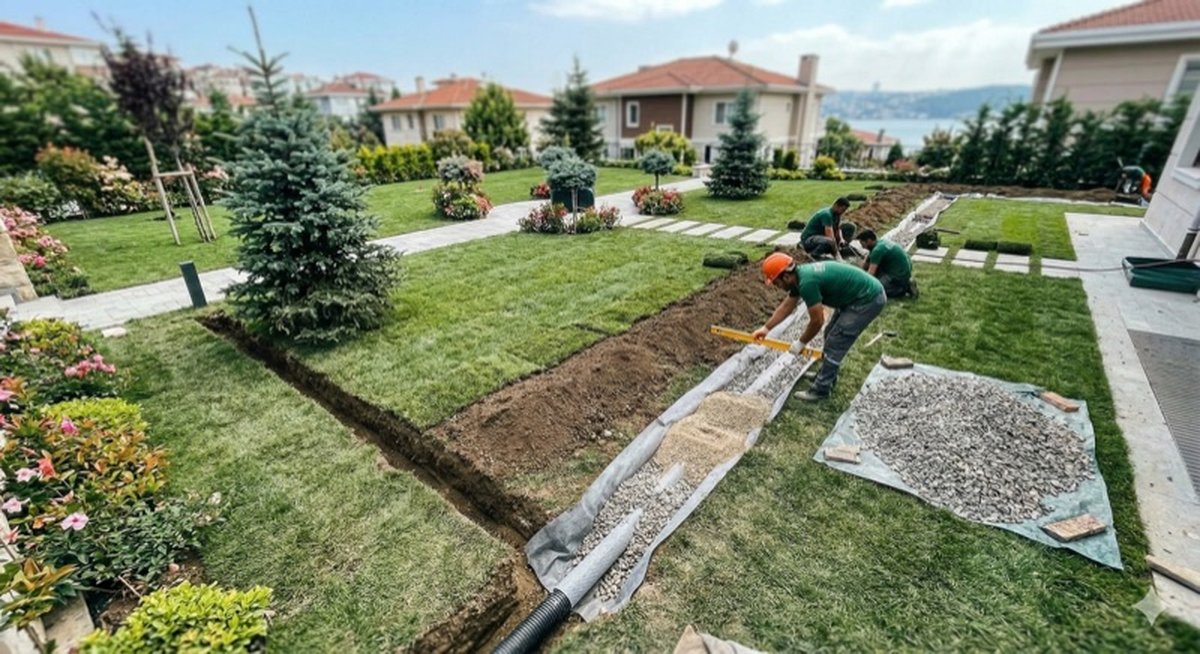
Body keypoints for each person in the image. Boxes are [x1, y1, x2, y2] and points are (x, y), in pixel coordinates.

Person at [753, 252, 886, 401]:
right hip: (856, 297)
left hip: (868, 299)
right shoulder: (799, 277)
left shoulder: (807, 283)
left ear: (786, 276)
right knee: (830, 333)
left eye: (777, 283)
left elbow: (817, 321)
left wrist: (801, 343)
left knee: (835, 341)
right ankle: (826, 374)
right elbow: (786, 307)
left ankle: (821, 389)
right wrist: (766, 328)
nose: (778, 287)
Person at [857, 229, 918, 299]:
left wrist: (861, 287)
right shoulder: (881, 243)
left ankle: (905, 288)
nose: (862, 246)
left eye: (862, 243)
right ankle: (905, 283)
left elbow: (871, 274)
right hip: (902, 271)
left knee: (877, 291)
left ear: (869, 240)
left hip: (896, 276)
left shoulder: (877, 250)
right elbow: (865, 266)